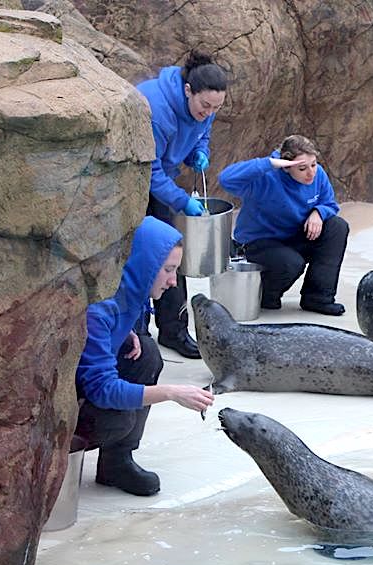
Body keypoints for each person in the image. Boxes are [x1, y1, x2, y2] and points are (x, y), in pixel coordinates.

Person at [75, 217, 215, 497]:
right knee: (118, 421)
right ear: (145, 265)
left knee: (147, 354)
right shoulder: (99, 309)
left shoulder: (133, 292)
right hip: (71, 401)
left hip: (89, 384)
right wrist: (171, 393)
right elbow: (100, 389)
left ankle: (116, 463)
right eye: (168, 270)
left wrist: (124, 332)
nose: (174, 281)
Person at [136, 51, 228, 358]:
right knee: (141, 255)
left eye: (217, 107)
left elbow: (203, 132)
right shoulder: (157, 110)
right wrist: (180, 202)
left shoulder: (205, 105)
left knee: (171, 252)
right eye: (205, 105)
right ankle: (136, 330)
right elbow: (149, 170)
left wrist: (198, 152)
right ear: (188, 90)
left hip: (163, 181)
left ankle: (173, 330)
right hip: (133, 182)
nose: (210, 111)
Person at [219, 134, 350, 316]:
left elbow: (329, 203)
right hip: (260, 242)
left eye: (313, 164)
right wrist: (268, 163)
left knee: (337, 227)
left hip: (294, 235)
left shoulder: (317, 175)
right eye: (302, 168)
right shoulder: (265, 178)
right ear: (286, 167)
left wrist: (318, 212)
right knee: (290, 263)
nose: (311, 172)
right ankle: (264, 295)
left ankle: (318, 298)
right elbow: (225, 179)